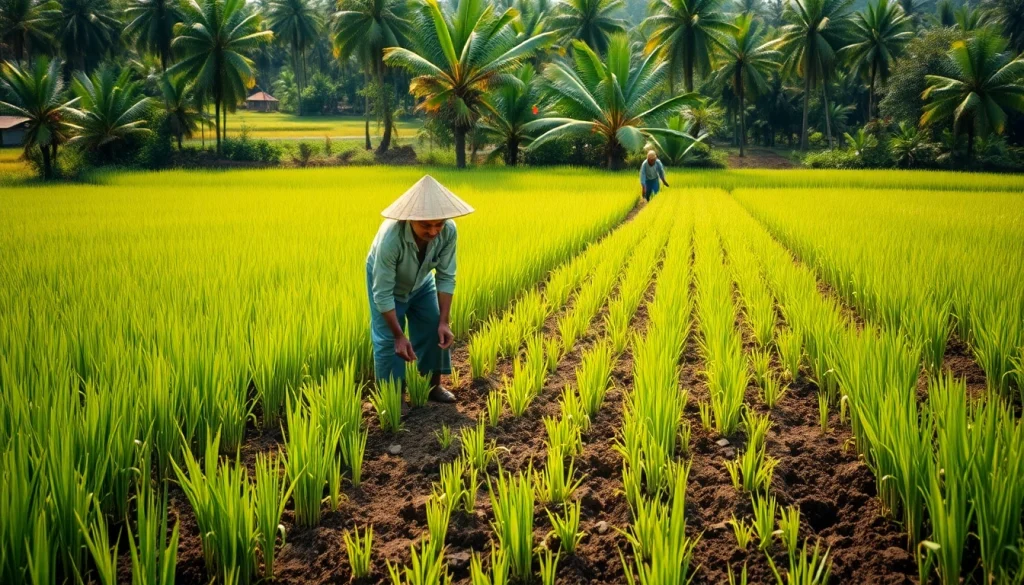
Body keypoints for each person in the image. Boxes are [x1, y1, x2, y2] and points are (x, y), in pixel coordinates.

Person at [366, 175, 475, 407]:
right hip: (389, 287)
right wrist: (399, 335)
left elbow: (446, 276)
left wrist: (444, 321)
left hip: (422, 281)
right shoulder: (391, 239)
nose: (434, 231)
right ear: (411, 219)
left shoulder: (449, 231)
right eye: (426, 225)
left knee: (434, 326)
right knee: (388, 341)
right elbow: (382, 293)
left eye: (439, 224)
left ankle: (433, 386)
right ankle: (393, 399)